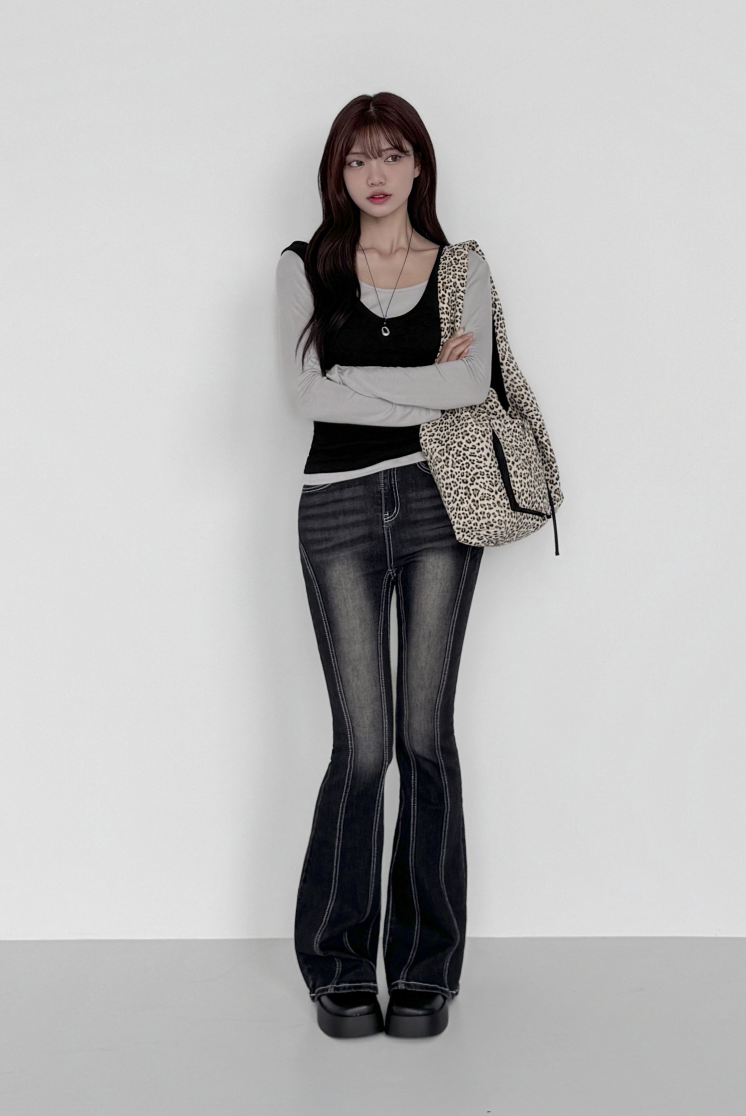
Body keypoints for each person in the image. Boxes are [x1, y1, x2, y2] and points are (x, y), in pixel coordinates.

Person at [276, 92, 494, 1039]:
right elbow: (302, 396)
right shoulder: (305, 266)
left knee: (424, 739)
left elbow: (472, 385)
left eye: (392, 154)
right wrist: (422, 386)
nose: (376, 173)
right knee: (363, 747)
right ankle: (336, 966)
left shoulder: (463, 267)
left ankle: (424, 971)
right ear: (338, 171)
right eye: (358, 157)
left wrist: (352, 378)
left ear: (419, 166)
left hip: (443, 505)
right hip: (338, 510)